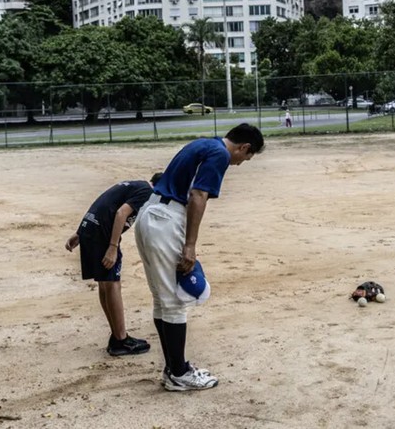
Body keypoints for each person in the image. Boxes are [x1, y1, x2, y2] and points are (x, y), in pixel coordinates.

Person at [134, 123, 265, 392]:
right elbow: (198, 195)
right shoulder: (220, 154)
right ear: (244, 147)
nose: (240, 163)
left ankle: (173, 368)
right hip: (166, 221)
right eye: (245, 158)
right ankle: (179, 373)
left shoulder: (203, 143)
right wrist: (190, 245)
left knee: (163, 300)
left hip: (151, 214)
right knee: (175, 301)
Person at [65, 172, 163, 356]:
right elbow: (121, 213)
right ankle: (121, 340)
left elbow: (102, 202)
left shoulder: (134, 185)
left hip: (91, 229)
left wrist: (81, 231)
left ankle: (117, 335)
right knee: (112, 285)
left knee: (105, 284)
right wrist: (113, 246)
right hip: (102, 236)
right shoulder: (147, 192)